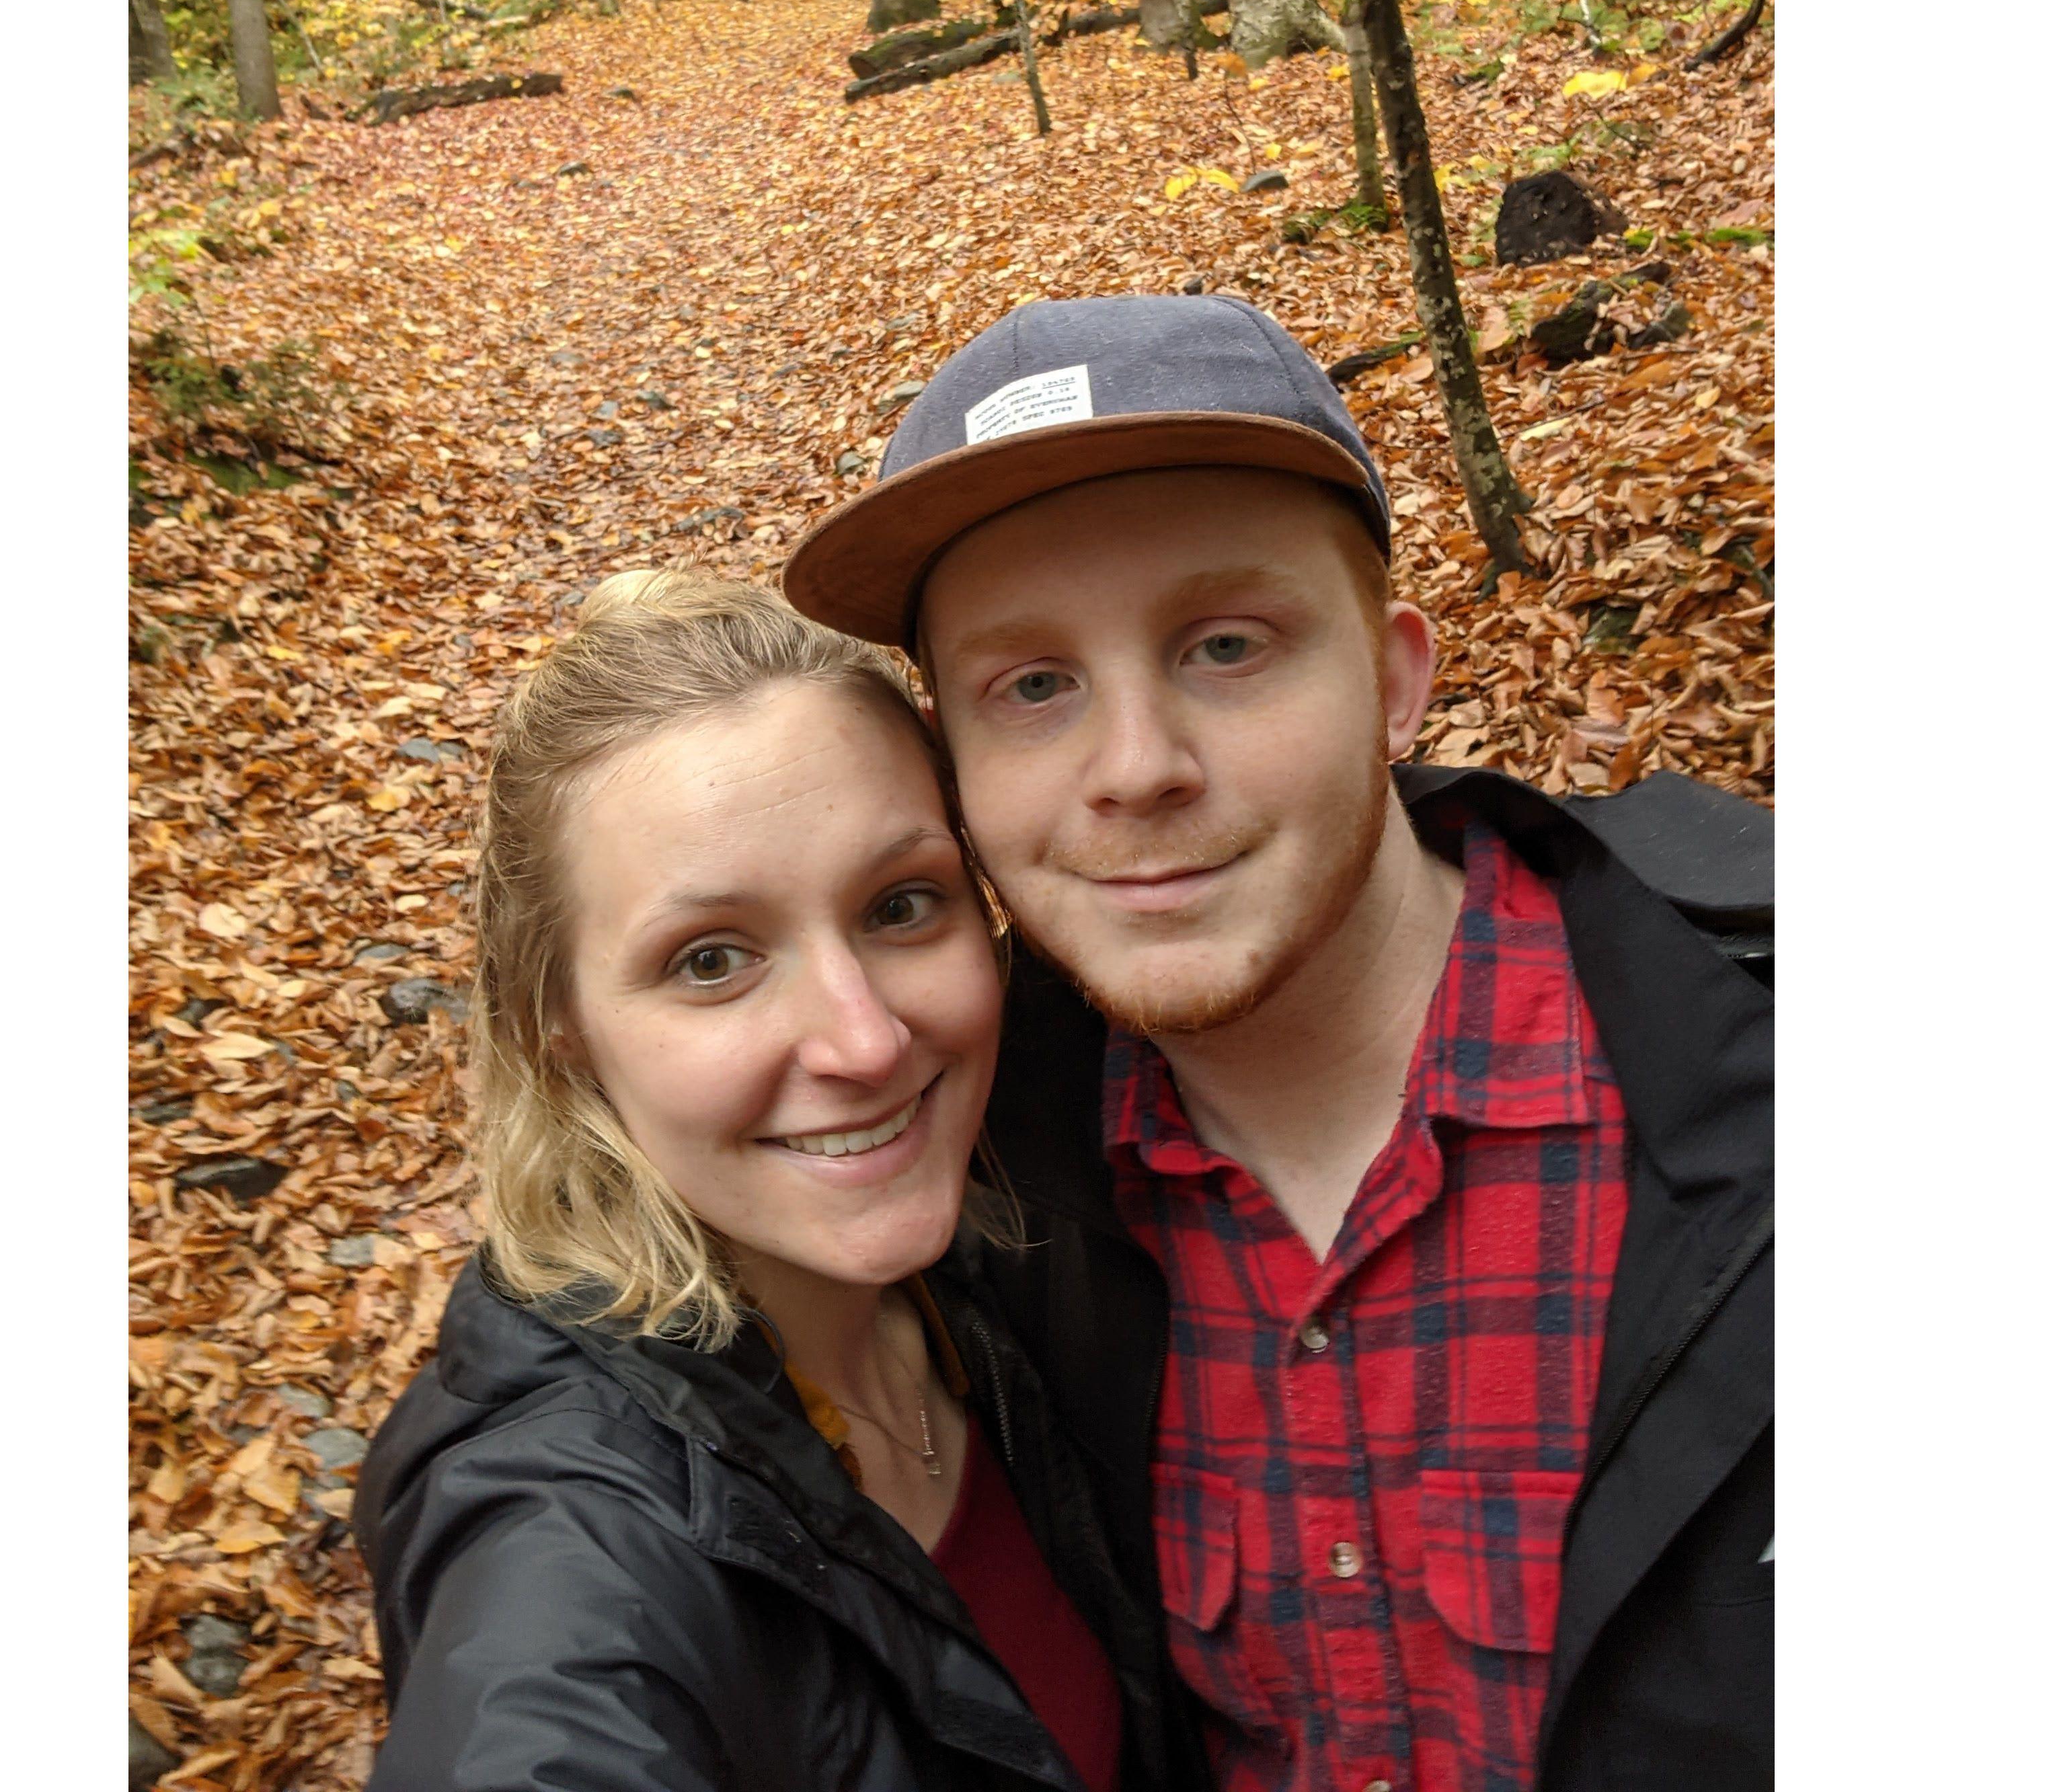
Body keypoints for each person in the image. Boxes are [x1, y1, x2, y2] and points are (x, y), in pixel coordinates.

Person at [783, 295, 1773, 1792]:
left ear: (1392, 676)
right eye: (1033, 687)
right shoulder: (950, 1161)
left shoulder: (1785, 1056)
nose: (1137, 770)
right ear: (956, 769)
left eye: (1227, 645)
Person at [354, 572, 1171, 1792]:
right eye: (713, 961)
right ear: (556, 1028)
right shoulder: (567, 1549)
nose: (866, 1041)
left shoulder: (991, 1265)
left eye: (902, 906)